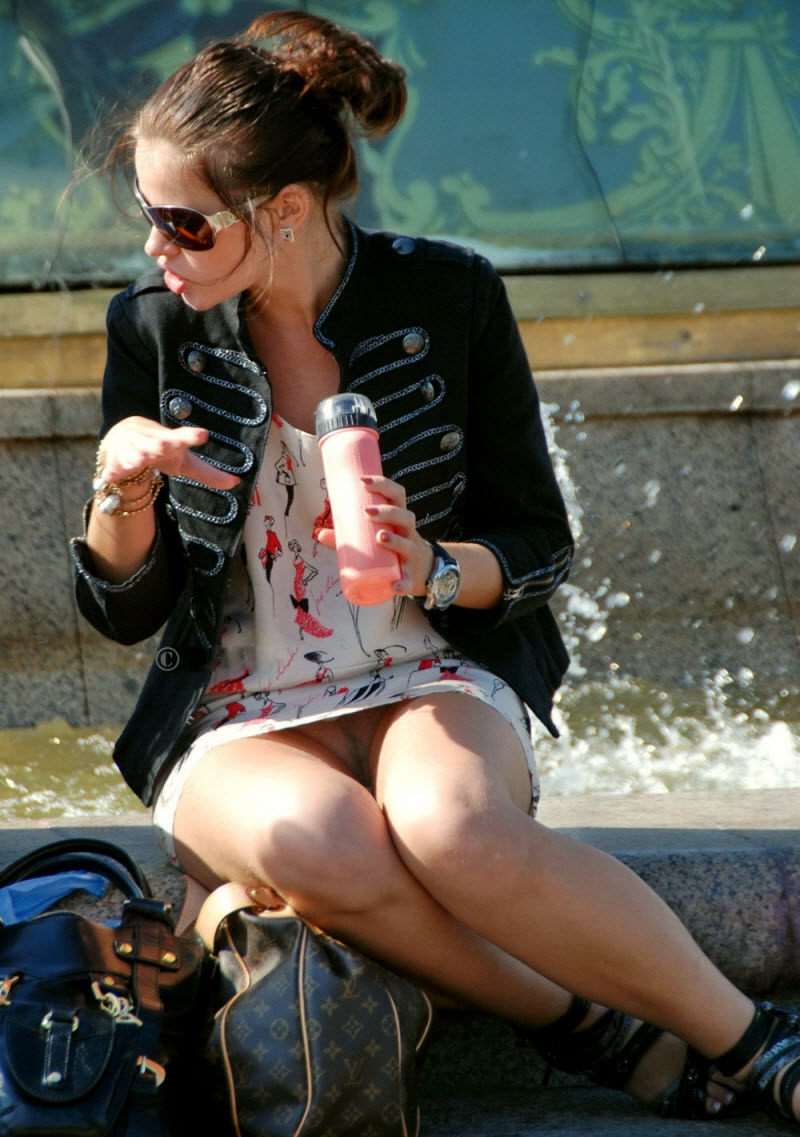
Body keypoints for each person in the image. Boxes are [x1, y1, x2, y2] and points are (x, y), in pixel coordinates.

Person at [71, 9, 800, 1125]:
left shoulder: (449, 293)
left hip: (426, 671)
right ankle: (592, 1031)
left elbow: (538, 542)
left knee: (451, 828)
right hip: (237, 706)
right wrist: (118, 491)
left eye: (184, 223)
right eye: (147, 216)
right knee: (320, 840)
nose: (156, 250)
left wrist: (431, 566)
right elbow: (126, 613)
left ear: (285, 209)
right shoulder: (153, 328)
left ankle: (752, 1039)